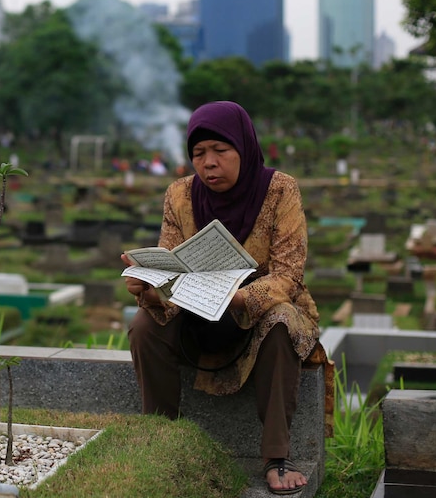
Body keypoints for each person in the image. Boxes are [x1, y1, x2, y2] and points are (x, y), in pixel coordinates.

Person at [122, 101, 330, 495]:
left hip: (258, 317)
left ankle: (276, 459)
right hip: (197, 314)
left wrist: (234, 297)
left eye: (220, 150)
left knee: (283, 319)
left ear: (244, 147)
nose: (208, 163)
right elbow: (171, 267)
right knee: (143, 327)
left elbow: (288, 276)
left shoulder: (281, 189)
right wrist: (151, 288)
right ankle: (162, 440)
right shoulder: (179, 195)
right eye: (198, 154)